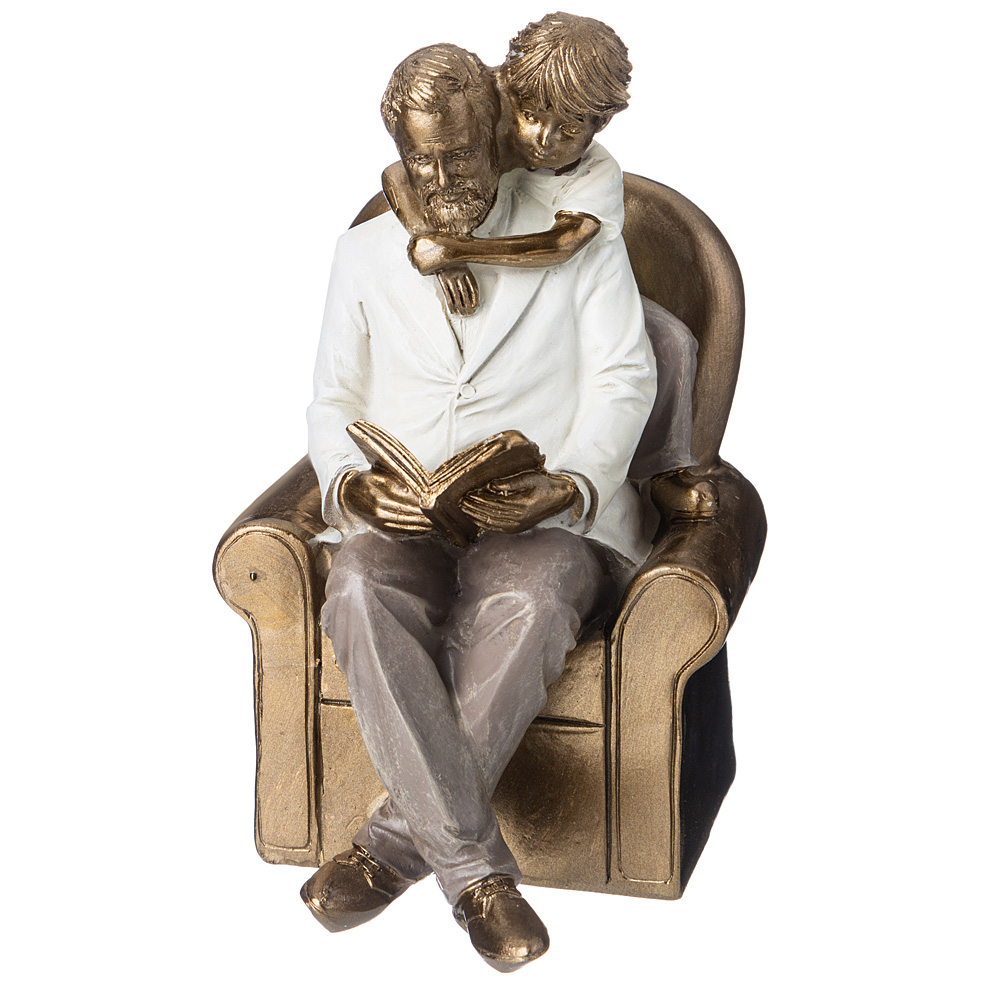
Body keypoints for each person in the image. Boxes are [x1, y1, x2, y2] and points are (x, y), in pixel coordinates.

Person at [303, 43, 656, 972]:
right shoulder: (363, 254)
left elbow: (625, 377)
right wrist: (353, 484)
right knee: (356, 586)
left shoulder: (579, 236)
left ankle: (392, 848)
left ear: (496, 129)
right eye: (422, 160)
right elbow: (331, 402)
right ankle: (478, 878)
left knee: (535, 597)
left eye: (459, 155)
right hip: (404, 516)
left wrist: (569, 482)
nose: (441, 178)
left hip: (539, 521)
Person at [383, 12, 718, 516]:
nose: (543, 139)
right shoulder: (480, 104)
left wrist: (458, 252)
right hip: (480, 272)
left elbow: (564, 244)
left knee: (668, 342)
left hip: (562, 282)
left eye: (570, 128)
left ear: (601, 123)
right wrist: (426, 239)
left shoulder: (594, 172)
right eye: (531, 114)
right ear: (508, 89)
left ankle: (662, 469)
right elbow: (397, 172)